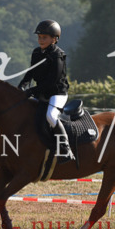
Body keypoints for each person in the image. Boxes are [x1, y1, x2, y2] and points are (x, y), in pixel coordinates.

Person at [17, 19, 73, 160]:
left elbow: (52, 81)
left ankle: (65, 148)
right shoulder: (36, 53)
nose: (40, 40)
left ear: (54, 39)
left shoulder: (58, 55)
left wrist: (31, 91)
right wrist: (23, 84)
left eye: (44, 37)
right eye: (39, 37)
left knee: (51, 116)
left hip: (57, 93)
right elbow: (31, 72)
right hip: (41, 92)